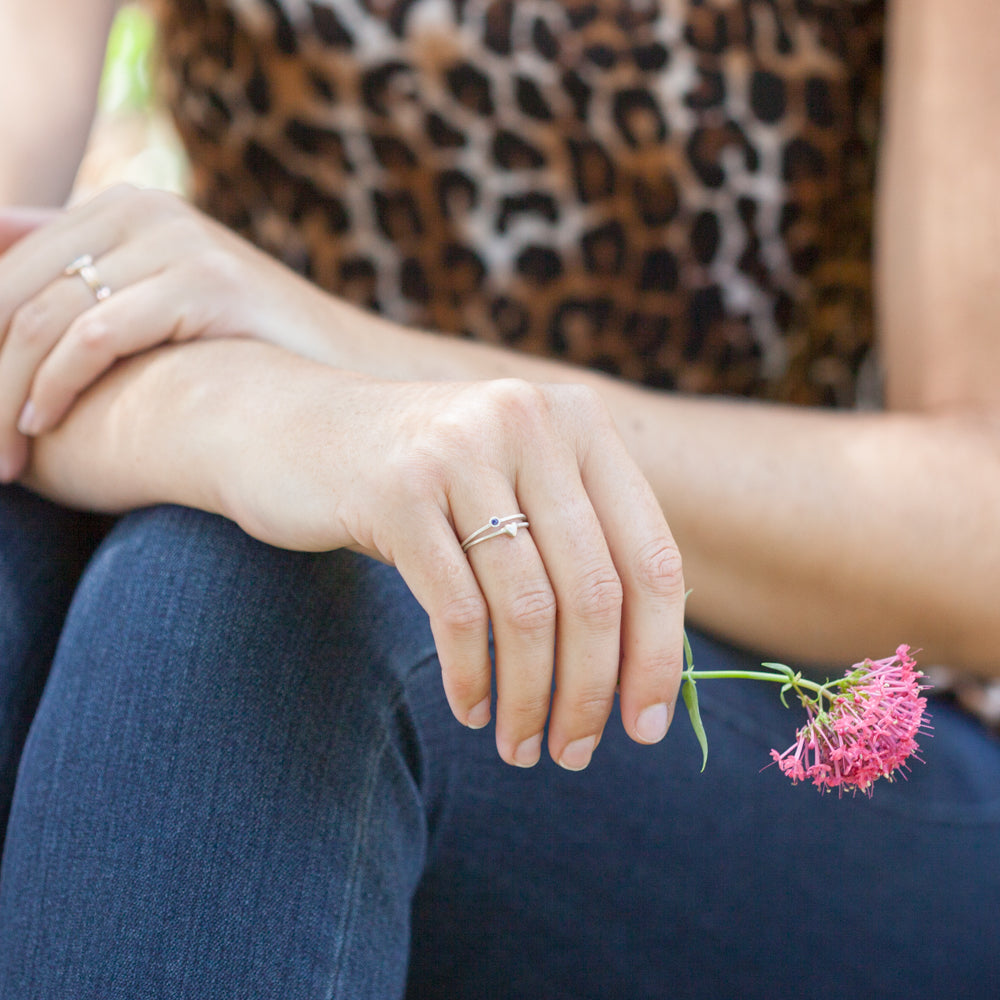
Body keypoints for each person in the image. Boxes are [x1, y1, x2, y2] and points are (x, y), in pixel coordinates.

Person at [0, 1, 998, 996]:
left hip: (797, 733)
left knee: (275, 609)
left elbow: (975, 531)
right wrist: (253, 417)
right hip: (304, 527)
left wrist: (349, 373)